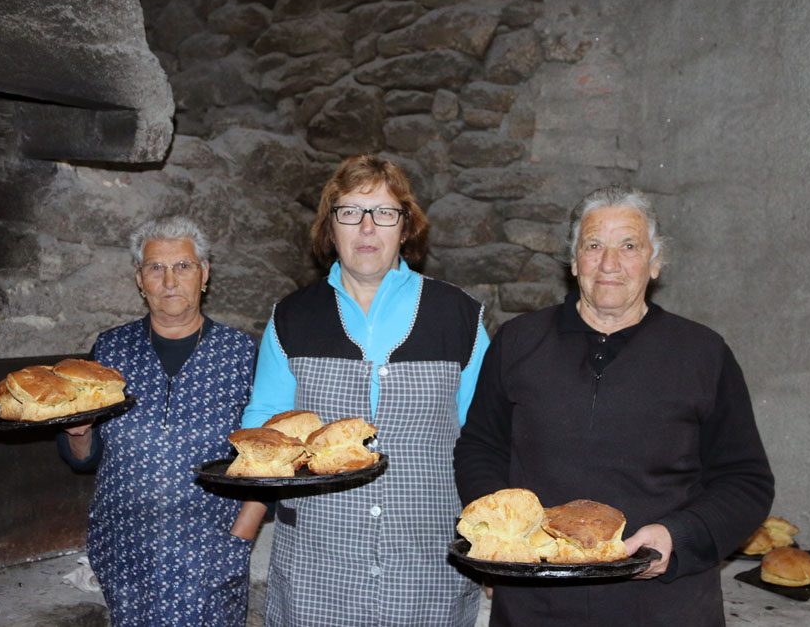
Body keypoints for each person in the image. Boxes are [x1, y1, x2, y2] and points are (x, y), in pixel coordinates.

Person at [453, 184, 775, 627]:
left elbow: (746, 480)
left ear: (655, 262)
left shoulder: (703, 354)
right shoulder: (519, 343)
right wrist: (503, 533)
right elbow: (481, 448)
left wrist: (677, 536)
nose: (609, 263)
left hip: (664, 605)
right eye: (593, 245)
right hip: (537, 601)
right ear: (573, 261)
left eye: (629, 246)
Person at [234, 154, 490, 626]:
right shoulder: (291, 318)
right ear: (330, 229)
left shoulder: (459, 318)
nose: (367, 228)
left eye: (384, 213)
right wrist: (243, 529)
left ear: (405, 228)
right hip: (317, 565)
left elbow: (484, 440)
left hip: (425, 568)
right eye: (350, 212)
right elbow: (263, 431)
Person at [56, 215, 258, 627]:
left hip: (211, 546)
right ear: (139, 278)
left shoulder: (240, 354)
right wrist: (77, 432)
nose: (169, 280)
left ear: (205, 274)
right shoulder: (110, 348)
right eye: (155, 268)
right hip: (125, 547)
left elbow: (273, 455)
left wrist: (243, 533)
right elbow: (84, 458)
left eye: (183, 266)